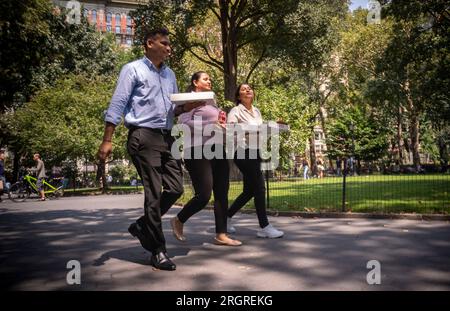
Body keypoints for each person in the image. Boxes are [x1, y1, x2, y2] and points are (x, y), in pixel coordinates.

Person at [97, 27, 191, 271]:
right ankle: (158, 251)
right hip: (143, 135)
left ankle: (141, 225)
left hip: (167, 136)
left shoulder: (170, 75)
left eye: (169, 44)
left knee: (176, 188)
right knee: (155, 193)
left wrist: (187, 106)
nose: (169, 48)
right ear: (150, 43)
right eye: (165, 43)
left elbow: (172, 109)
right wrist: (108, 139)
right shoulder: (132, 69)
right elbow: (117, 103)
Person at [170, 71, 242, 246]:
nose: (209, 81)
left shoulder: (211, 101)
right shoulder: (188, 99)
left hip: (217, 148)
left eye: (210, 78)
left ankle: (221, 234)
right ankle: (179, 219)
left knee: (222, 192)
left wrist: (224, 127)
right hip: (195, 149)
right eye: (205, 78)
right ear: (195, 82)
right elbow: (184, 123)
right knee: (204, 194)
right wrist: (211, 125)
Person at [226, 83, 284, 239]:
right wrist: (251, 130)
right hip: (242, 152)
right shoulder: (236, 111)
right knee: (259, 187)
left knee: (249, 191)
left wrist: (272, 129)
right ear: (239, 96)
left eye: (249, 88)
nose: (248, 90)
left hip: (256, 152)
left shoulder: (257, 111)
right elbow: (230, 129)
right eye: (244, 89)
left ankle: (226, 217)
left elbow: (260, 133)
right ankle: (264, 226)